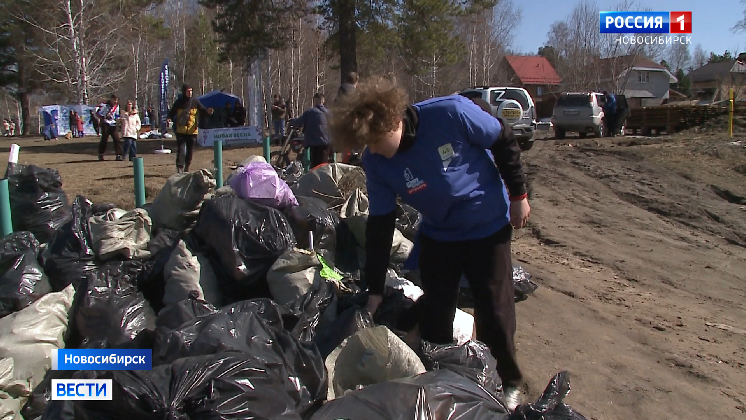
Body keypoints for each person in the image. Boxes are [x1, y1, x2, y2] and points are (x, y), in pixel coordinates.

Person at [329, 77, 530, 410]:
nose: (372, 151)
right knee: (436, 311)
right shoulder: (377, 163)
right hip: (440, 234)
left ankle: (507, 382)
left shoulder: (449, 113)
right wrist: (375, 291)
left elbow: (503, 138)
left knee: (494, 310)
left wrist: (519, 195)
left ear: (391, 122)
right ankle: (442, 378)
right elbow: (380, 225)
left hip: (487, 225)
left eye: (374, 142)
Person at [166, 84, 213, 173]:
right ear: (184, 91)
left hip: (192, 131)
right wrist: (169, 118)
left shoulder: (195, 102)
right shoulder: (179, 102)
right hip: (181, 130)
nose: (190, 93)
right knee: (181, 149)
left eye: (191, 91)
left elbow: (203, 111)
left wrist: (208, 112)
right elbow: (171, 113)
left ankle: (187, 166)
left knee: (190, 150)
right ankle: (180, 167)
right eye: (188, 91)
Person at [290, 92, 331, 168]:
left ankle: (315, 178)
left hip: (314, 142)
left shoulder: (310, 112)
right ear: (323, 101)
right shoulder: (328, 113)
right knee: (324, 164)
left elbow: (299, 122)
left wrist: (291, 121)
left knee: (315, 165)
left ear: (314, 101)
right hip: (327, 142)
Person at [97, 94, 123, 161]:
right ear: (111, 99)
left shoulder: (116, 106)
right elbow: (99, 113)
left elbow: (117, 115)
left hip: (113, 124)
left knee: (117, 139)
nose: (115, 101)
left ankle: (118, 155)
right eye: (114, 100)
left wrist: (118, 119)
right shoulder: (104, 105)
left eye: (117, 100)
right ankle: (101, 154)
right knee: (104, 139)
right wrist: (105, 115)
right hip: (105, 123)